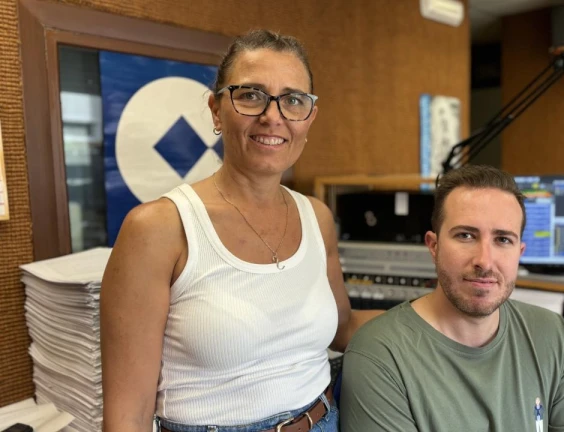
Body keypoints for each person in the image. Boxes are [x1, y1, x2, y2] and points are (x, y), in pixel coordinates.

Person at [100, 29, 381, 432]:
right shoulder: (158, 228)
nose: (273, 116)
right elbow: (128, 415)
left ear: (309, 118)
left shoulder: (316, 217)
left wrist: (439, 312)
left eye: (293, 100)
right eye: (250, 95)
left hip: (325, 420)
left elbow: (341, 329)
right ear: (216, 110)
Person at [339, 165, 564, 432]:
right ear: (434, 246)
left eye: (503, 240)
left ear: (519, 252)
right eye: (465, 236)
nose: (484, 261)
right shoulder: (378, 355)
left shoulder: (552, 336)